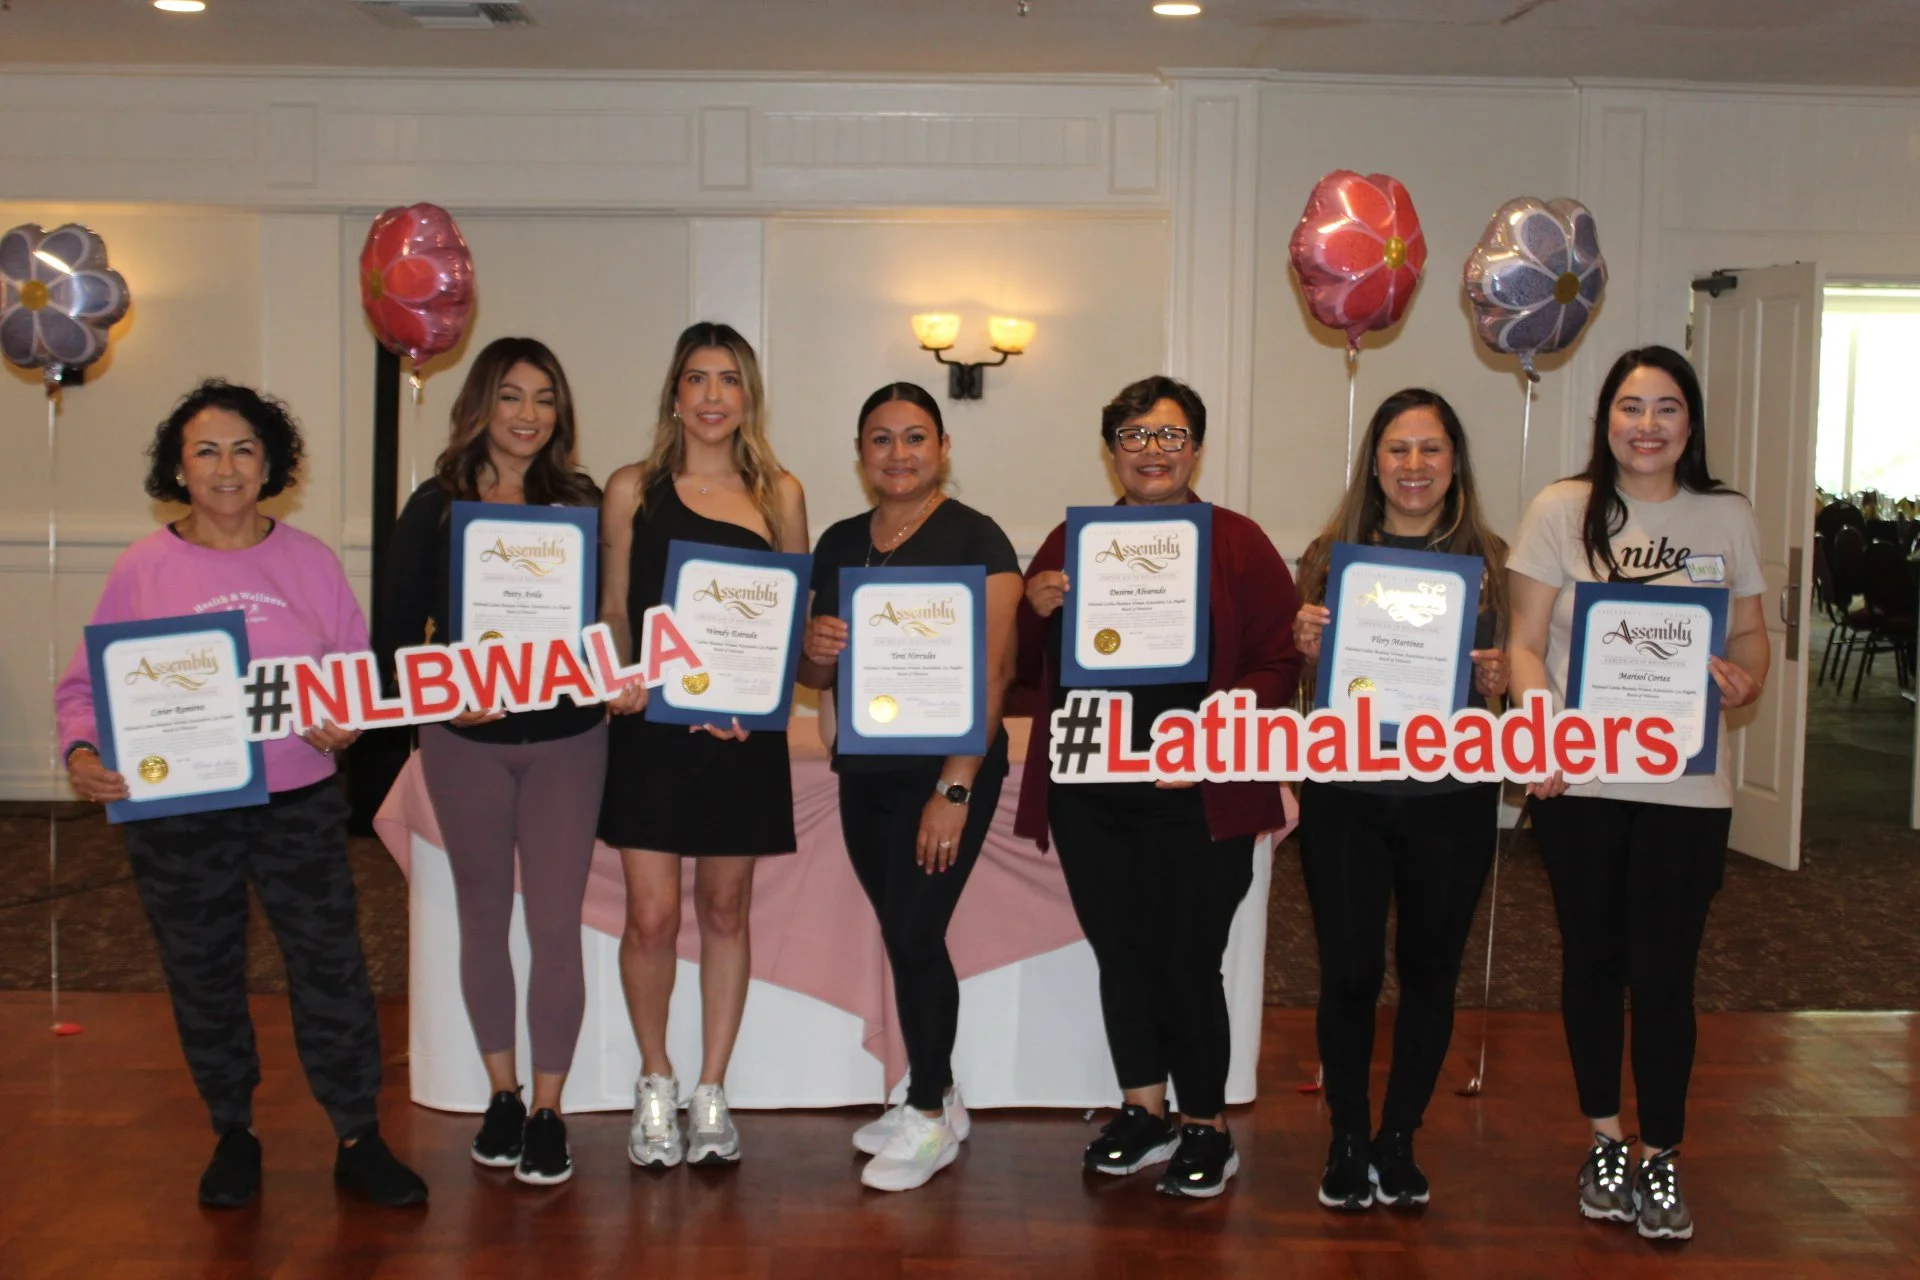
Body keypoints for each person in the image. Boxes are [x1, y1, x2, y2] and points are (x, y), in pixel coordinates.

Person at [54, 380, 426, 1209]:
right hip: (178, 811)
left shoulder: (311, 562)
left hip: (297, 804)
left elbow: (354, 676)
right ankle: (233, 1130)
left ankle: (358, 1135)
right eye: (207, 451)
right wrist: (82, 750)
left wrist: (347, 721)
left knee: (330, 966)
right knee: (203, 970)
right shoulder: (142, 568)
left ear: (270, 464)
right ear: (179, 469)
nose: (227, 468)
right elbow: (86, 689)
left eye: (244, 449)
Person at [1015, 375, 1302, 1198]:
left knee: (1187, 956)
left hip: (1199, 785)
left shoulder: (1238, 542)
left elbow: (1278, 659)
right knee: (1122, 950)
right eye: (1135, 436)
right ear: (1112, 452)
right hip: (1094, 787)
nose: (1152, 451)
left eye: (1170, 436)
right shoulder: (1071, 543)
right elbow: (1024, 669)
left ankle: (1206, 1124)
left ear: (1196, 450)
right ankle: (1143, 1110)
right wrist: (1036, 609)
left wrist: (1217, 720)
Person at [1507, 345, 1769, 1242]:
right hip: (1580, 779)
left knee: (1665, 976)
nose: (1647, 425)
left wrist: (1746, 677)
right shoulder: (1561, 508)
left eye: (1666, 408)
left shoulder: (1726, 514)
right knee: (1592, 962)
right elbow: (1526, 644)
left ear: (1690, 423)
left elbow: (1750, 633)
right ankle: (1604, 1140)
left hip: (1686, 787)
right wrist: (1541, 732)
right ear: (1605, 419)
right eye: (1630, 406)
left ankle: (1660, 1152)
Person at [377, 337, 605, 1186]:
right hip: (464, 740)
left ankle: (549, 1110)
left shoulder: (580, 504)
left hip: (569, 739)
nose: (528, 415)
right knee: (481, 917)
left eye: (545, 398)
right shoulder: (434, 507)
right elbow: (396, 640)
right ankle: (502, 1095)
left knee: (554, 925)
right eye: (511, 395)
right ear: (480, 404)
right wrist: (443, 694)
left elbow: (606, 625)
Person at [797, 382, 1021, 1192]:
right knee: (901, 932)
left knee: (917, 933)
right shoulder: (838, 541)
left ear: (943, 448)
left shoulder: (978, 538)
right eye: (882, 439)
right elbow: (813, 675)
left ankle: (927, 1111)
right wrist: (818, 647)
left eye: (916, 437)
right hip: (865, 772)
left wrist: (954, 791)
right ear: (861, 453)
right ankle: (940, 1091)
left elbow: (997, 672)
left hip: (945, 773)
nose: (899, 453)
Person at [1289, 389, 1510, 1211]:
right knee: (1349, 973)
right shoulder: (1329, 556)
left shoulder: (1492, 561)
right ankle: (1348, 1138)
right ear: (1374, 462)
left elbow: (1515, 689)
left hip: (1452, 800)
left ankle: (1399, 1138)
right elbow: (1307, 691)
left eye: (1431, 449)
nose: (1414, 465)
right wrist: (1303, 650)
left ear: (1455, 462)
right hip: (1346, 795)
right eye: (1397, 449)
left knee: (1430, 973)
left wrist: (1499, 681)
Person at [598, 322, 809, 1169]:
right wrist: (619, 677)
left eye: (729, 379)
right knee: (650, 916)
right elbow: (615, 608)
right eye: (697, 378)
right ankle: (656, 1079)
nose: (713, 396)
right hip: (649, 731)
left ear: (748, 395)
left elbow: (791, 616)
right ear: (675, 394)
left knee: (726, 911)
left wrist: (757, 700)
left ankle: (713, 1089)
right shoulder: (631, 488)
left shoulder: (781, 493)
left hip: (739, 739)